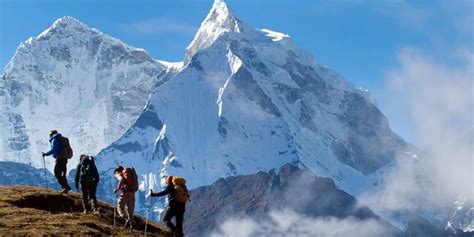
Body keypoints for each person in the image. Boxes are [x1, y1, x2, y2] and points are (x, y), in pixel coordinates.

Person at [113, 166, 136, 231]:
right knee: (130, 211)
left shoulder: (119, 174)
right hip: (132, 193)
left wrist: (117, 189)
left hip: (125, 193)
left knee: (119, 207)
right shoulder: (128, 175)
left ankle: (127, 218)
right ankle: (131, 226)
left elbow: (121, 180)